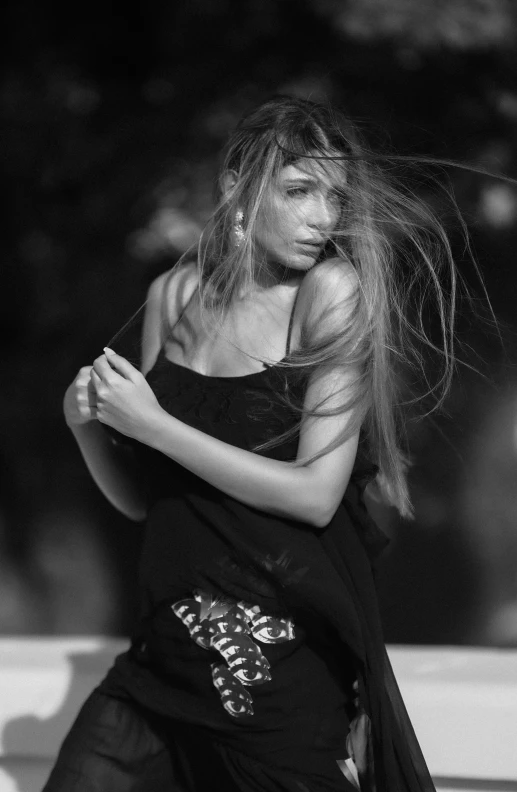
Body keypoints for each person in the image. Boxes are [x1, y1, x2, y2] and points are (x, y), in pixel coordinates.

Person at [45, 95, 455, 792]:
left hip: (273, 682)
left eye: (334, 198)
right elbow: (152, 501)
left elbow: (315, 496)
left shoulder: (329, 294)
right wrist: (85, 426)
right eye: (299, 192)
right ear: (239, 184)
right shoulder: (173, 295)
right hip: (158, 668)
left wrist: (152, 423)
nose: (322, 218)